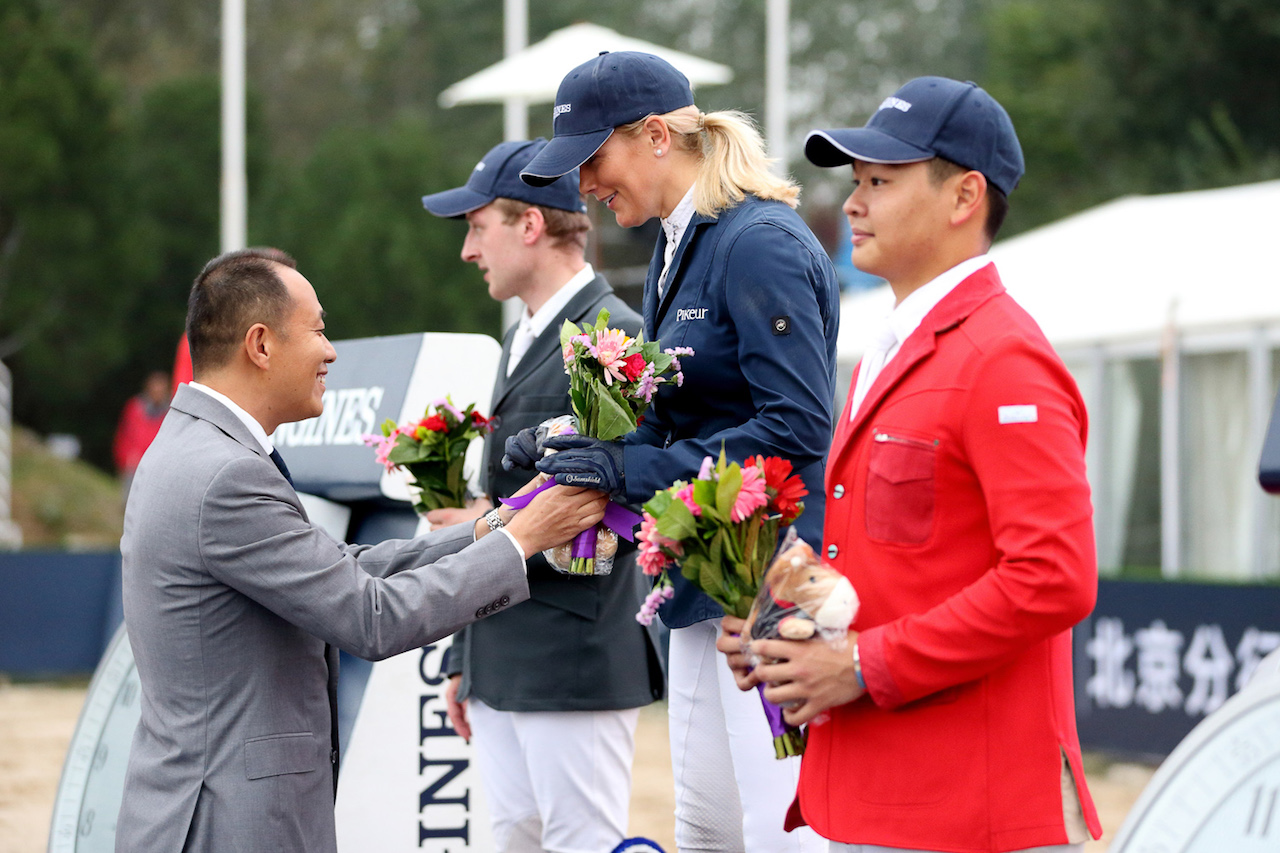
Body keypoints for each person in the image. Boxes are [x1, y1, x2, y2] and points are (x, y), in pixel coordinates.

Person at [719, 77, 1104, 852]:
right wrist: (780, 619)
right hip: (881, 790)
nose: (854, 203)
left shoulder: (1003, 358)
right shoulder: (887, 353)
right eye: (857, 182)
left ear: (964, 196)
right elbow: (888, 556)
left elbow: (1055, 573)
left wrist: (862, 662)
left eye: (880, 182)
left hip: (962, 806)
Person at [115, 247, 608, 853]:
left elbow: (338, 567)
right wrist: (524, 541)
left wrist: (494, 525)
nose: (331, 351)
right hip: (232, 821)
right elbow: (370, 616)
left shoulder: (196, 447)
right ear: (261, 345)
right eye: (319, 330)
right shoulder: (225, 475)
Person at [513, 51, 839, 853]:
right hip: (700, 575)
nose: (583, 184)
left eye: (594, 158)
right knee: (703, 829)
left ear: (656, 135)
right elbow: (680, 417)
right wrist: (580, 445)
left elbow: (797, 426)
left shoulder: (757, 241)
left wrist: (631, 470)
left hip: (772, 579)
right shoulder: (672, 244)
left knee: (780, 831)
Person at [420, 138, 664, 853]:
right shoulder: (524, 339)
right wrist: (466, 654)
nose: (469, 249)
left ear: (530, 224)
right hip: (507, 655)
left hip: (574, 654)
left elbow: (618, 509)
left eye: (476, 226)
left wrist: (483, 522)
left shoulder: (614, 335)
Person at [112, 369, 170, 495]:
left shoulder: (169, 414)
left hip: (155, 469)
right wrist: (124, 459)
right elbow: (123, 436)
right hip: (132, 466)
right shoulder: (135, 407)